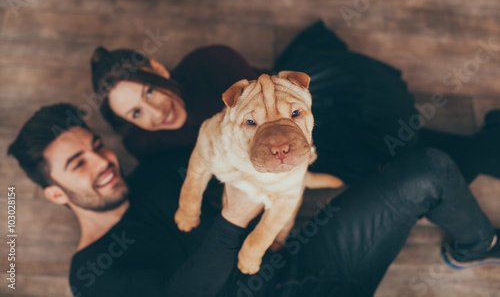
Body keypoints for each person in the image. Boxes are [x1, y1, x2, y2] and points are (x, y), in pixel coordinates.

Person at [8, 103, 500, 297]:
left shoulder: (160, 174)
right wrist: (230, 221)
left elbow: (231, 150)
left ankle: (475, 245)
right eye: (79, 165)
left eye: (95, 147)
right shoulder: (89, 273)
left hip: (309, 257)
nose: (103, 162)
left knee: (427, 168)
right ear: (54, 193)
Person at [90, 21, 420, 186]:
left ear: (159, 70)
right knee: (392, 170)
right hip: (260, 160)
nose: (156, 112)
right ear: (129, 123)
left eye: (150, 92)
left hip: (290, 120)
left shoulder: (210, 62)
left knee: (392, 145)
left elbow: (274, 123)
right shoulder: (142, 141)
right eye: (136, 112)